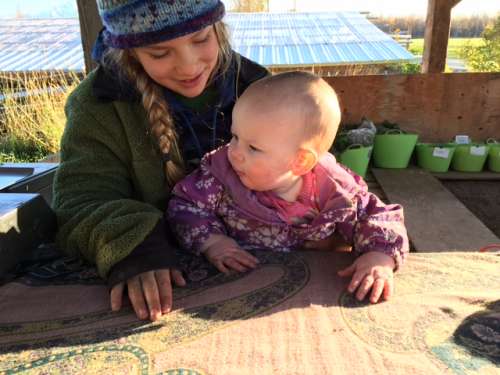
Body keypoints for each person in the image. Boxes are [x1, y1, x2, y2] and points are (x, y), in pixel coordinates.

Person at [52, 0, 269, 322]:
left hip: (260, 262)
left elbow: (308, 166)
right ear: (130, 51)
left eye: (200, 40)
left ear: (218, 28)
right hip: (167, 278)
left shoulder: (258, 85)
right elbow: (81, 198)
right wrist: (133, 244)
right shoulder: (97, 106)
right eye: (159, 53)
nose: (189, 66)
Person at [167, 71, 410, 304]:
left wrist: (379, 256)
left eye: (253, 148)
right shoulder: (219, 176)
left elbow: (378, 215)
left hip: (313, 286)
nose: (235, 152)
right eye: (234, 136)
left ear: (301, 161)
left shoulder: (337, 192)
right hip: (239, 280)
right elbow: (186, 205)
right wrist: (213, 243)